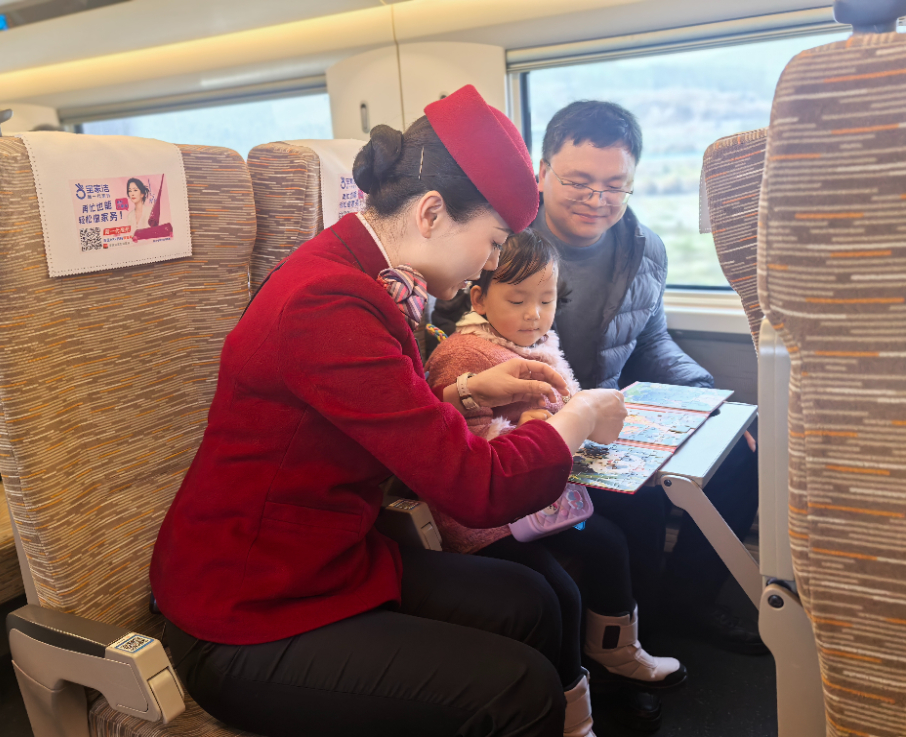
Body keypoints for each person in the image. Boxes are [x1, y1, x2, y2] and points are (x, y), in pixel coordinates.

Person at [150, 85, 629, 737]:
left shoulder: (360, 273)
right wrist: (578, 418)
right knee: (520, 691)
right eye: (493, 242)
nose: (490, 264)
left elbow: (371, 419)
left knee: (531, 600)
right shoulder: (327, 301)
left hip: (327, 560)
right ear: (432, 212)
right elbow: (479, 487)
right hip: (247, 608)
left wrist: (467, 395)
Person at [434, 100, 762, 655]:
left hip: (603, 410)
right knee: (642, 504)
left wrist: (704, 400)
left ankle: (688, 601)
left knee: (739, 455)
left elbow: (651, 342)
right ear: (542, 173)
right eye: (579, 182)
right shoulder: (499, 245)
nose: (597, 199)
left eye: (615, 185)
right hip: (531, 423)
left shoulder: (645, 249)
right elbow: (450, 344)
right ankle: (635, 638)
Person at [425, 231, 686, 735]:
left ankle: (616, 651)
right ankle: (572, 714)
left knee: (606, 541)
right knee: (558, 591)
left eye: (546, 301)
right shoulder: (464, 355)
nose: (534, 315)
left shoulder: (536, 343)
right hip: (485, 521)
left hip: (538, 504)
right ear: (478, 299)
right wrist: (535, 430)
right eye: (517, 301)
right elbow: (457, 446)